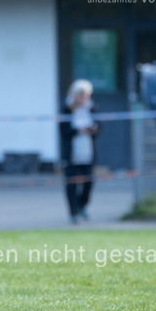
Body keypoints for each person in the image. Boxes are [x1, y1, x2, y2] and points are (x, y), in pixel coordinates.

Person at [59, 79, 100, 224]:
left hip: (88, 153)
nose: (83, 99)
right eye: (80, 95)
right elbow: (64, 130)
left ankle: (82, 206)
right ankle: (73, 212)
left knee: (88, 183)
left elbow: (99, 127)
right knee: (72, 184)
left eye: (85, 96)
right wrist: (78, 130)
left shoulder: (92, 108)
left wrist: (92, 129)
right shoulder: (66, 109)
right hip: (72, 154)